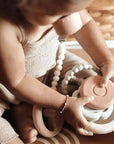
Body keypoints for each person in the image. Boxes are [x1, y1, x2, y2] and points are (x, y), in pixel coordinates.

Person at [0, 0, 114, 144]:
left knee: (91, 78)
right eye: (59, 16)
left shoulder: (65, 7)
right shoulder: (5, 27)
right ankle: (21, 112)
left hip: (50, 65)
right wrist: (64, 103)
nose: (70, 19)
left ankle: (25, 108)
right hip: (6, 89)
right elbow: (17, 81)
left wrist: (105, 60)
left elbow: (85, 24)